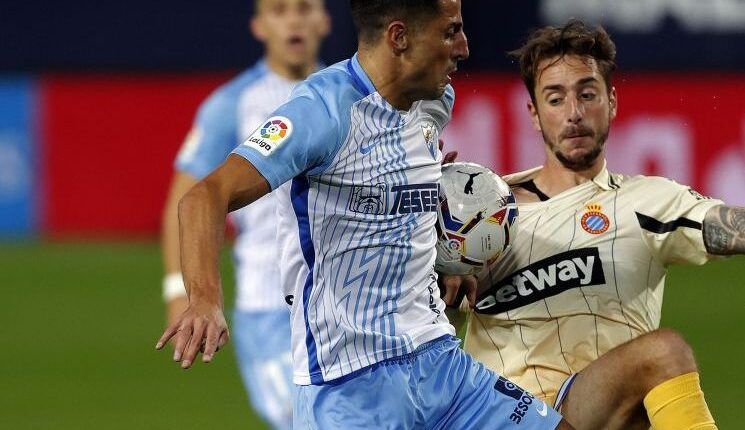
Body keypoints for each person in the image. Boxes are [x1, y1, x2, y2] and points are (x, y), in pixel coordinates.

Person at [156, 0, 575, 428]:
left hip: (440, 364)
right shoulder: (321, 112)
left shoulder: (433, 99)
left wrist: (448, 253)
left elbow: (404, 187)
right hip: (347, 389)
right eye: (450, 32)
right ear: (399, 37)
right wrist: (202, 300)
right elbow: (204, 196)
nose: (465, 47)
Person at [461, 19, 745, 430]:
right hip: (507, 417)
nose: (574, 113)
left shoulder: (646, 201)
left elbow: (730, 225)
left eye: (587, 94)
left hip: (592, 410)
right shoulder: (483, 214)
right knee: (661, 354)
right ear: (535, 114)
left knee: (660, 360)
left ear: (611, 102)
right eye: (555, 99)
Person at [159, 1, 329, 428]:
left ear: (323, 21)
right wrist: (179, 290)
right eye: (279, 10)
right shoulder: (232, 105)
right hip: (267, 304)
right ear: (259, 26)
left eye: (304, 8)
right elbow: (185, 200)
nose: (293, 19)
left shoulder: (346, 93)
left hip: (340, 300)